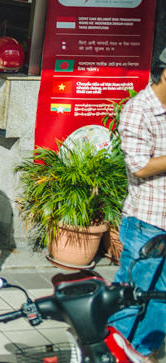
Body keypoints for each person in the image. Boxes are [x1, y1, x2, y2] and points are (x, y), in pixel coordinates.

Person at [108, 45, 166, 360]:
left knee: (161, 298)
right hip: (147, 223)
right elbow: (140, 166)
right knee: (134, 295)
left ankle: (144, 352)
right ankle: (114, 352)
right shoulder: (139, 109)